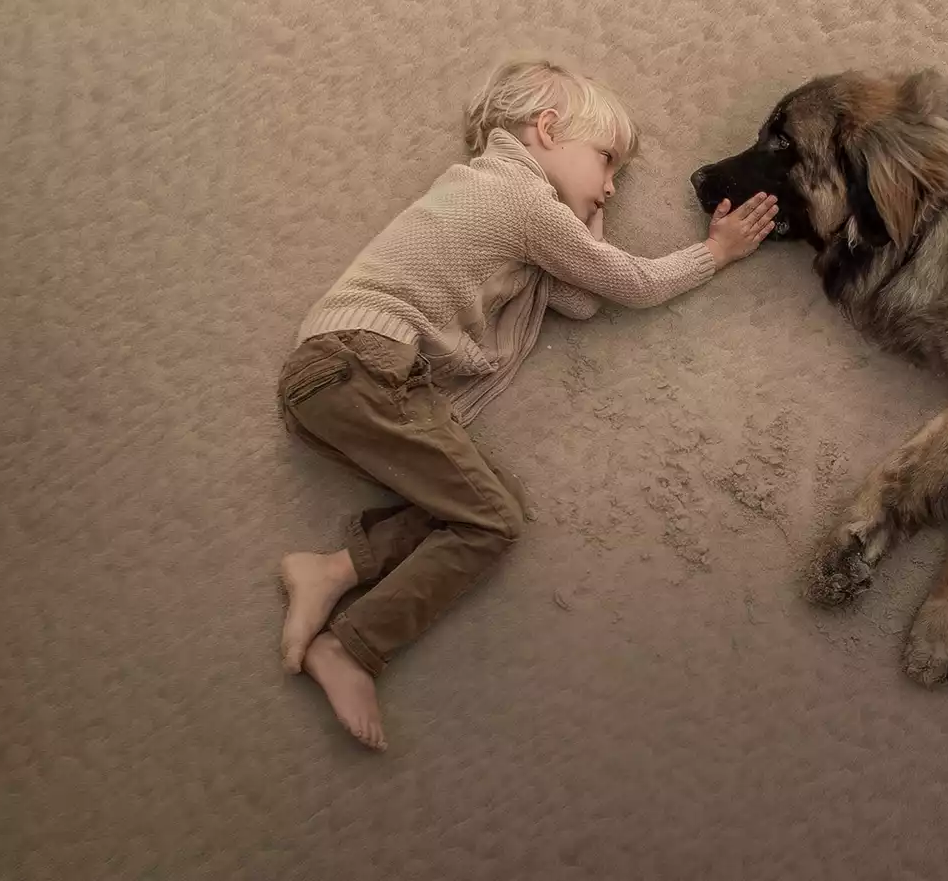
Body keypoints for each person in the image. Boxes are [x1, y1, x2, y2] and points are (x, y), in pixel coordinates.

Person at [274, 59, 777, 750]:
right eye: (606, 163)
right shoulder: (518, 202)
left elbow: (578, 297)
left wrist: (588, 222)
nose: (608, 186)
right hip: (363, 367)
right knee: (493, 523)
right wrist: (714, 253)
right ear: (545, 131)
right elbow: (628, 284)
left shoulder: (498, 197)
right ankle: (353, 645)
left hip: (334, 378)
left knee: (482, 502)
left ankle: (334, 568)